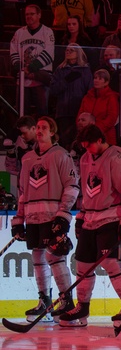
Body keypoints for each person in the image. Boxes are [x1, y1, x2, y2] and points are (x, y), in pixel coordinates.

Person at [59, 124, 121, 328]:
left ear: (100, 140)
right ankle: (83, 306)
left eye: (90, 145)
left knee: (111, 264)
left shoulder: (119, 157)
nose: (87, 150)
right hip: (90, 220)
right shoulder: (86, 158)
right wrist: (81, 216)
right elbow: (88, 191)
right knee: (83, 265)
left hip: (112, 218)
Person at [11, 117, 80, 321]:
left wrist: (63, 215)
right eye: (38, 127)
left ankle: (67, 302)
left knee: (55, 258)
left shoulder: (60, 154)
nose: (40, 131)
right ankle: (45, 301)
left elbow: (71, 186)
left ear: (52, 132)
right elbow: (23, 191)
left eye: (44, 128)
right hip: (33, 218)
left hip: (53, 217)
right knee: (38, 260)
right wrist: (18, 219)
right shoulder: (27, 158)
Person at [11, 4, 56, 116]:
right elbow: (13, 51)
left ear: (39, 15)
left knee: (42, 114)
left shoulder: (47, 32)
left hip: (40, 78)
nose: (29, 16)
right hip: (23, 78)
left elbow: (49, 53)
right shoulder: (19, 33)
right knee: (21, 113)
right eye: (27, 14)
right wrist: (20, 67)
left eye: (32, 14)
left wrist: (30, 68)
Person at [78, 69, 119, 144]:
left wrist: (95, 128)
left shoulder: (111, 97)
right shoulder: (87, 97)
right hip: (87, 134)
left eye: (100, 79)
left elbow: (112, 117)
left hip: (105, 135)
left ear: (106, 82)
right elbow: (80, 114)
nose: (96, 80)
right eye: (95, 78)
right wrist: (82, 125)